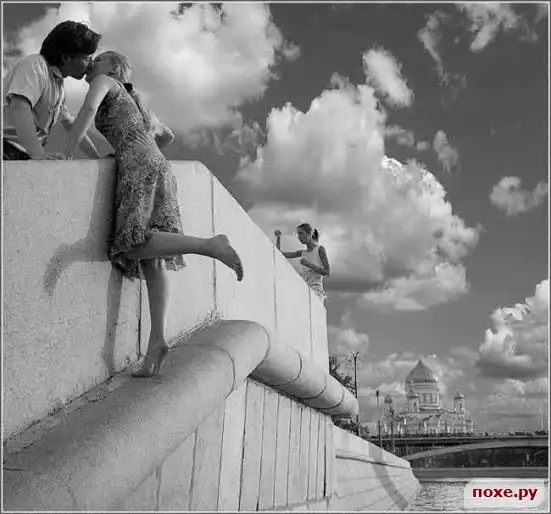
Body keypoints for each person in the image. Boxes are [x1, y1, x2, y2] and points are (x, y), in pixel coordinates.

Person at [63, 51, 244, 377]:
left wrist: (67, 153)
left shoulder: (105, 82)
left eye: (99, 59)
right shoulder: (138, 102)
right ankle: (157, 340)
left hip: (137, 166)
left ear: (114, 69)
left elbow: (88, 110)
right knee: (153, 259)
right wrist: (137, 141)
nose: (92, 63)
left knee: (131, 244)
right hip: (159, 165)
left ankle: (209, 245)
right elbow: (168, 135)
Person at [3, 21, 103, 160]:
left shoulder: (58, 86)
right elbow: (19, 107)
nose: (91, 64)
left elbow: (72, 126)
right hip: (6, 148)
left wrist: (97, 158)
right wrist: (39, 155)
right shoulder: (35, 64)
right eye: (87, 58)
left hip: (25, 154)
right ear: (66, 57)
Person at [274, 223, 330, 301]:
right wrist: (278, 238)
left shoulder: (320, 249)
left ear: (309, 234)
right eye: (298, 234)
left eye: (301, 233)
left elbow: (327, 272)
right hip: (304, 292)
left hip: (317, 294)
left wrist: (309, 264)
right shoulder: (302, 253)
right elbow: (279, 254)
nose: (299, 237)